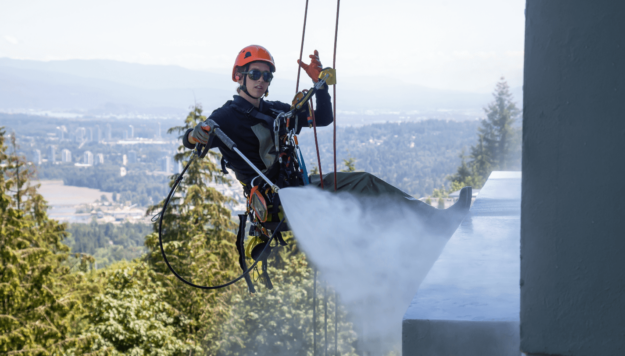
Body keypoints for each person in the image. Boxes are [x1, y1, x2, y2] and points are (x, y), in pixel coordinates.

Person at [183, 45, 333, 189]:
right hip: (271, 199)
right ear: (240, 77)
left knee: (355, 183)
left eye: (266, 76)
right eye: (255, 74)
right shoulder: (226, 116)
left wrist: (320, 84)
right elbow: (191, 140)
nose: (261, 79)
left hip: (295, 183)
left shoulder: (277, 111)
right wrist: (193, 135)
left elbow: (323, 118)